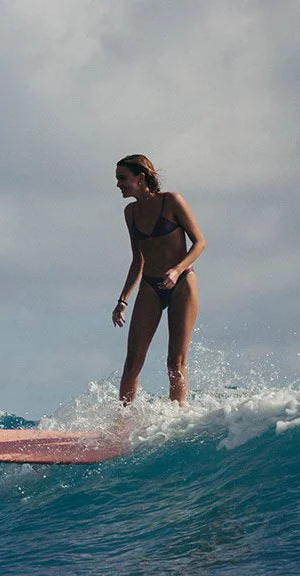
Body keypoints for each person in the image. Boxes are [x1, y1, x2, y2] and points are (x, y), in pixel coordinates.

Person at [111, 154, 206, 405]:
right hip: (150, 287)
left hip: (182, 282)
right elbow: (137, 260)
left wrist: (176, 270)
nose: (118, 184)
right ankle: (123, 422)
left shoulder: (172, 202)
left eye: (123, 178)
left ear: (141, 178)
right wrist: (122, 300)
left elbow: (199, 243)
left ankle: (177, 417)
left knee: (175, 362)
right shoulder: (130, 213)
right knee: (132, 362)